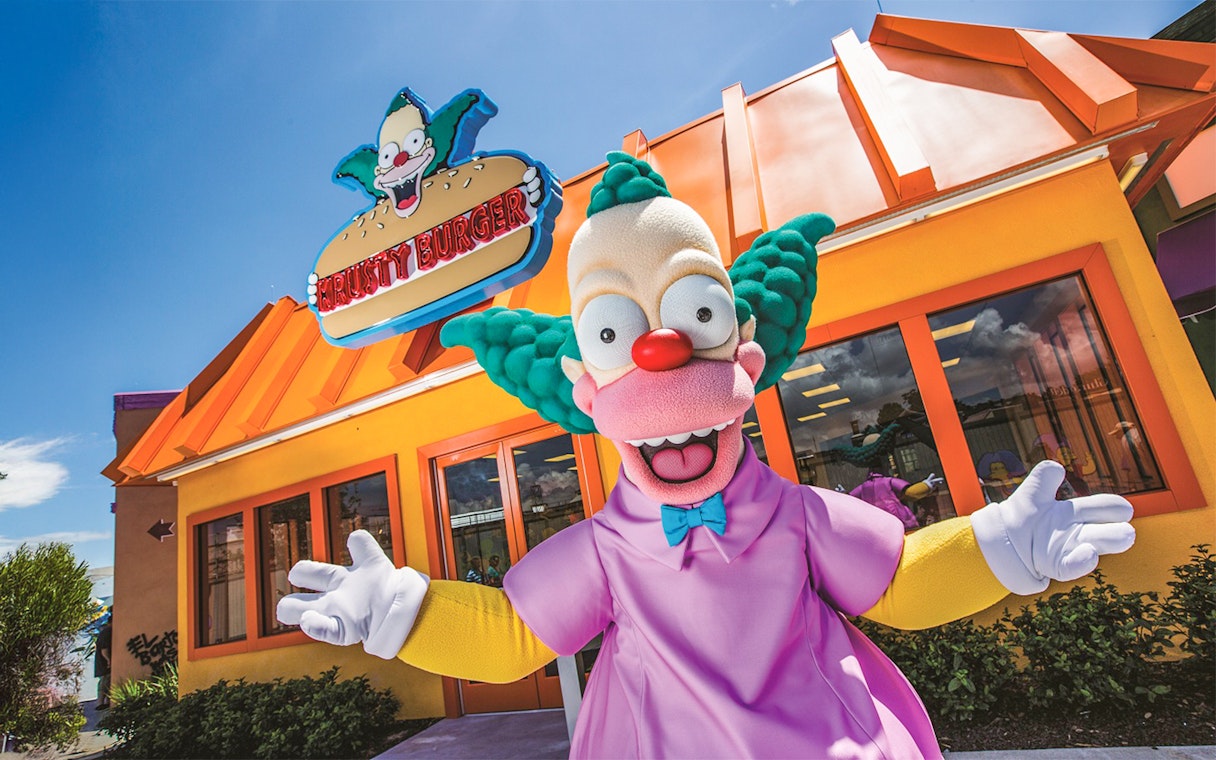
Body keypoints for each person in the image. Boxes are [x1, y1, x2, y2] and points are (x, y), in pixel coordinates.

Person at [94, 619, 112, 709]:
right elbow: (104, 650)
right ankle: (100, 703)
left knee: (107, 682)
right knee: (105, 682)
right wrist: (109, 660)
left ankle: (105, 702)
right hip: (104, 663)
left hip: (102, 662)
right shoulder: (107, 632)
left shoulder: (104, 632)